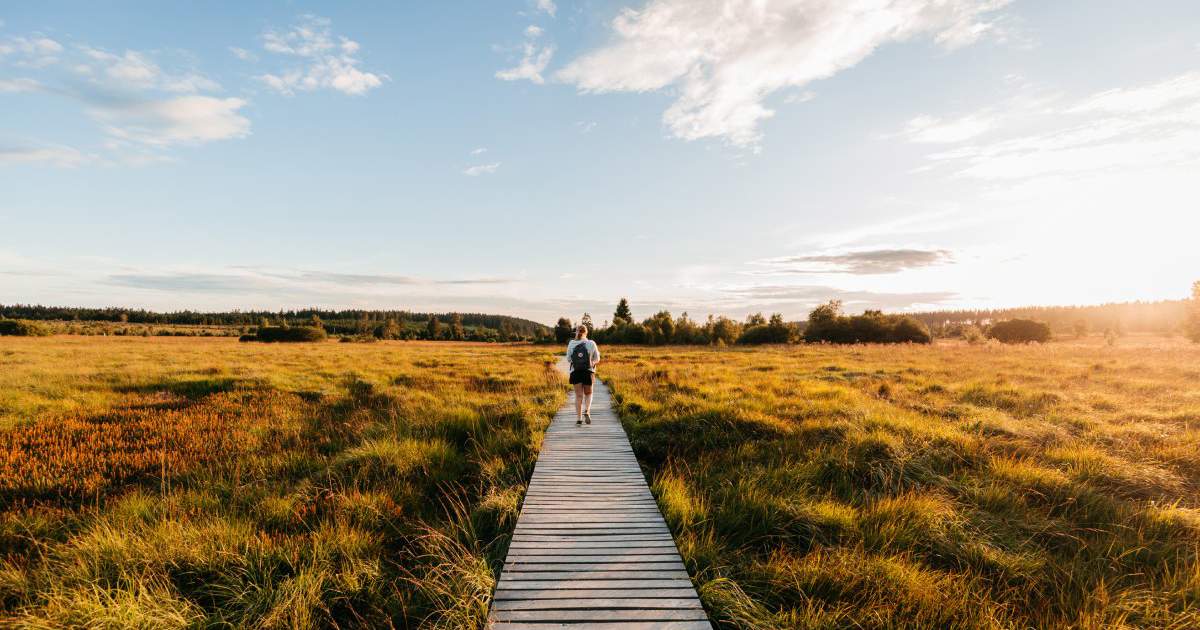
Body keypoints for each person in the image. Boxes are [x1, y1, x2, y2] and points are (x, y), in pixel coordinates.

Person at [565, 325, 600, 424]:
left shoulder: (571, 343)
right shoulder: (591, 343)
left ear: (576, 332)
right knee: (588, 394)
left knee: (578, 396)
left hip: (575, 372)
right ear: (586, 332)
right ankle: (587, 411)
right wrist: (591, 363)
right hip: (588, 372)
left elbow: (568, 359)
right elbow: (597, 358)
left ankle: (579, 419)